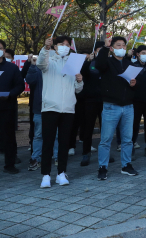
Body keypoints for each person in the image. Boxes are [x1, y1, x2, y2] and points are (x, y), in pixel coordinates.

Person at [37, 36, 84, 188]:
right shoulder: (49, 60)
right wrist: (46, 48)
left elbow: (78, 89)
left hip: (68, 109)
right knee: (48, 143)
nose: (65, 46)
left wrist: (79, 80)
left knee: (64, 143)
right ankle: (45, 175)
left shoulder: (73, 63)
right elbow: (40, 63)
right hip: (50, 107)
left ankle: (61, 173)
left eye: (67, 44)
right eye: (61, 44)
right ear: (55, 47)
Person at [95, 36, 138, 180]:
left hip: (128, 106)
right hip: (111, 106)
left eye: (124, 46)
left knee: (127, 140)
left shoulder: (128, 63)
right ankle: (102, 167)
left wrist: (133, 84)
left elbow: (133, 83)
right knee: (106, 140)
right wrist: (105, 48)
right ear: (112, 48)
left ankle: (126, 165)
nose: (122, 48)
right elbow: (99, 64)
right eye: (118, 45)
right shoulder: (107, 62)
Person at [0, 40, 25, 174]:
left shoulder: (12, 68)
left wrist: (9, 95)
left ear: (4, 50)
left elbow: (20, 86)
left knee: (9, 138)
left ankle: (10, 164)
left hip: (7, 107)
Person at [24, 54, 58, 171]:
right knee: (38, 135)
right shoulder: (37, 70)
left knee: (57, 135)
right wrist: (33, 66)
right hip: (40, 108)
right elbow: (29, 80)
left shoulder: (58, 70)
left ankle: (57, 156)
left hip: (56, 107)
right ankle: (36, 158)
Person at [78, 42, 105, 166]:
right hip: (90, 100)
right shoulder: (89, 63)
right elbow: (82, 73)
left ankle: (105, 153)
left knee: (105, 128)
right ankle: (86, 153)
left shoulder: (106, 64)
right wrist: (88, 61)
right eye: (99, 50)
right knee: (88, 127)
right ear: (94, 51)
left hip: (105, 100)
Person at [131, 45, 146, 159]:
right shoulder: (133, 66)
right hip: (136, 100)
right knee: (134, 125)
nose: (145, 55)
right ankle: (131, 147)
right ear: (137, 54)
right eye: (143, 53)